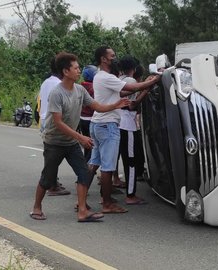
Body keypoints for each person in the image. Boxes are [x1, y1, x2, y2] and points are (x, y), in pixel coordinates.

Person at [29, 52, 131, 222]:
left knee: (83, 173)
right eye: (75, 68)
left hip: (70, 143)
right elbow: (58, 122)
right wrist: (81, 138)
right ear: (65, 71)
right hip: (54, 142)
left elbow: (96, 106)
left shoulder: (80, 90)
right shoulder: (57, 93)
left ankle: (82, 211)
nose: (79, 71)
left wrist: (116, 104)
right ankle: (36, 207)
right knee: (47, 178)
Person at [88, 46, 160, 214]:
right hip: (111, 125)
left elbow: (120, 94)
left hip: (98, 123)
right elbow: (132, 92)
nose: (115, 58)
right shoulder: (109, 77)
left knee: (94, 163)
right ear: (103, 59)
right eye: (112, 56)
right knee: (109, 166)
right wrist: (152, 82)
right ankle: (108, 203)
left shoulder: (100, 77)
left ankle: (83, 198)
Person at [117, 56, 151, 205]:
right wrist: (147, 88)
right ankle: (131, 195)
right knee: (130, 161)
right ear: (134, 68)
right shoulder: (130, 82)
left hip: (119, 122)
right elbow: (132, 104)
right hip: (128, 123)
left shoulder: (119, 78)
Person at [38, 57, 69, 196]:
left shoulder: (46, 82)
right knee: (54, 155)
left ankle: (52, 181)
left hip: (43, 119)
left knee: (51, 154)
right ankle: (51, 185)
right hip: (52, 120)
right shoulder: (58, 84)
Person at [79, 65, 97, 161]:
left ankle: (86, 162)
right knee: (92, 144)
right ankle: (87, 165)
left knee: (87, 144)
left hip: (82, 118)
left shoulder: (81, 86)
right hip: (91, 118)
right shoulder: (93, 88)